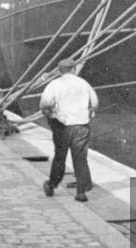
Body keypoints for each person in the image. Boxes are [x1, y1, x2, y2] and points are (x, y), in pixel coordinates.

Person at [39, 58, 98, 202]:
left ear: (60, 71)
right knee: (80, 159)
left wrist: (47, 113)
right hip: (81, 126)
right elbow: (94, 102)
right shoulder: (84, 83)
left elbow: (45, 103)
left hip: (62, 126)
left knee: (60, 157)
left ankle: (52, 185)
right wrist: (89, 113)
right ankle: (81, 192)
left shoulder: (55, 84)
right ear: (73, 69)